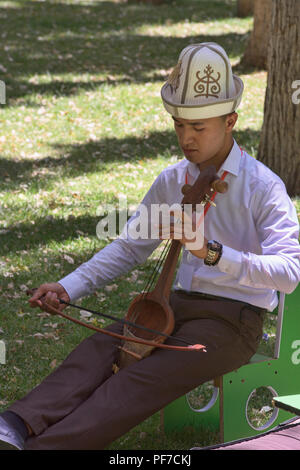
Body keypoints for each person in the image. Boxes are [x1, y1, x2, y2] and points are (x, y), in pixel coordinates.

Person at [1, 42, 299, 450]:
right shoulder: (170, 180)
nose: (186, 138)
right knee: (101, 346)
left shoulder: (262, 186)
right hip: (174, 307)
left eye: (199, 128)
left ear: (230, 121)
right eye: (179, 126)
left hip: (233, 321)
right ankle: (16, 425)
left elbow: (288, 273)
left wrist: (212, 254)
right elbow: (130, 247)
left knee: (138, 379)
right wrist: (67, 287)